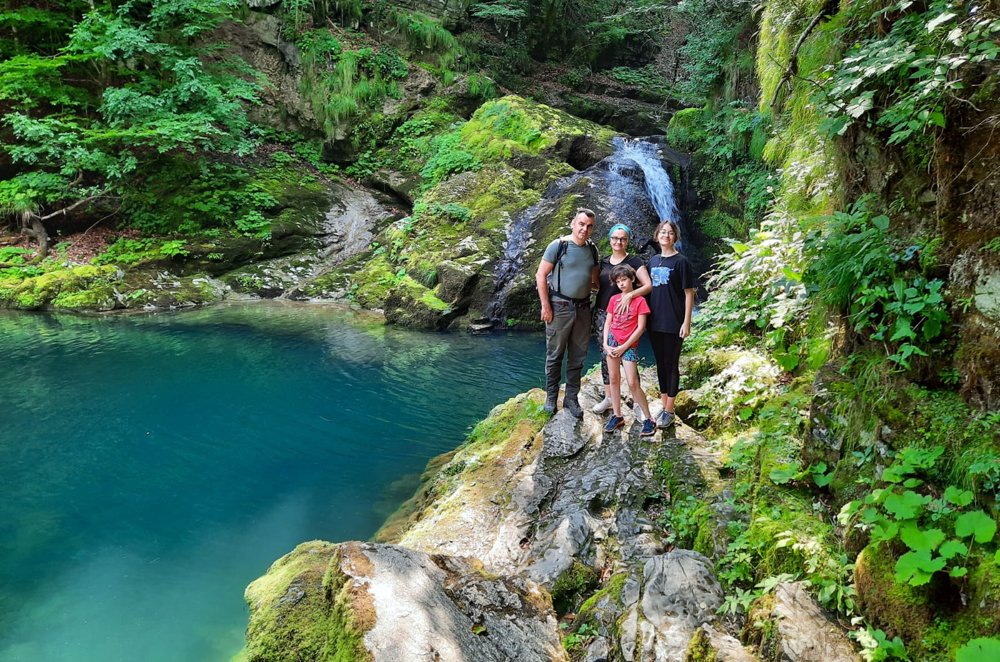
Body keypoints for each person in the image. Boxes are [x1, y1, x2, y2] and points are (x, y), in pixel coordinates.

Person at [535, 209, 600, 417]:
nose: (584, 229)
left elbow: (595, 281)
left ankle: (571, 399)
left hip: (583, 308)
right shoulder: (558, 246)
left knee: (578, 357)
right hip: (559, 307)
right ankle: (551, 398)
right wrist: (545, 305)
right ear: (573, 223)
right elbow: (541, 275)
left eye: (589, 226)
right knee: (554, 355)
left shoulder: (593, 250)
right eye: (581, 224)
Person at [591, 223, 653, 415]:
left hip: (628, 315)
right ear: (610, 240)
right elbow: (595, 285)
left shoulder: (634, 261)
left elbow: (648, 285)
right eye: (615, 238)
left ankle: (637, 404)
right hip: (604, 313)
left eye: (623, 238)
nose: (618, 241)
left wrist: (629, 296)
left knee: (630, 357)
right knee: (605, 354)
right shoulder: (602, 263)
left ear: (627, 241)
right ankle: (609, 398)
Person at [646, 220, 697, 429]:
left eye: (670, 233)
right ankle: (664, 403)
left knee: (671, 365)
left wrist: (687, 322)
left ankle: (669, 410)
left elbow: (689, 293)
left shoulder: (681, 261)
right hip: (654, 322)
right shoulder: (653, 260)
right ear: (657, 235)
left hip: (674, 322)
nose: (666, 236)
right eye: (662, 232)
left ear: (674, 237)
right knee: (660, 364)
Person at [601, 264, 656, 437]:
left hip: (628, 344)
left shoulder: (640, 301)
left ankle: (649, 419)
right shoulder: (613, 299)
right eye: (618, 281)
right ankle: (617, 415)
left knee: (633, 382)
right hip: (612, 341)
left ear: (632, 279)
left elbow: (641, 328)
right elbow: (608, 323)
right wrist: (605, 343)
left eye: (624, 279)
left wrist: (625, 346)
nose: (622, 284)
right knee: (614, 379)